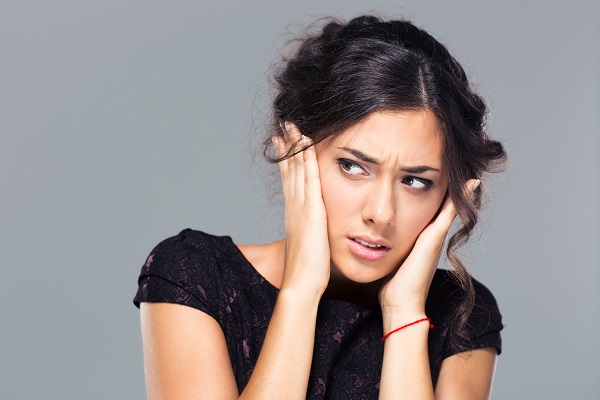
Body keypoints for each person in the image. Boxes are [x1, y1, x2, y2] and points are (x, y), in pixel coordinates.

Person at [133, 15, 507, 399]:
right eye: (353, 166)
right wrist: (300, 291)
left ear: (449, 194)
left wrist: (405, 313)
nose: (381, 213)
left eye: (415, 181)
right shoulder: (194, 274)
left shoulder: (463, 314)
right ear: (298, 154)